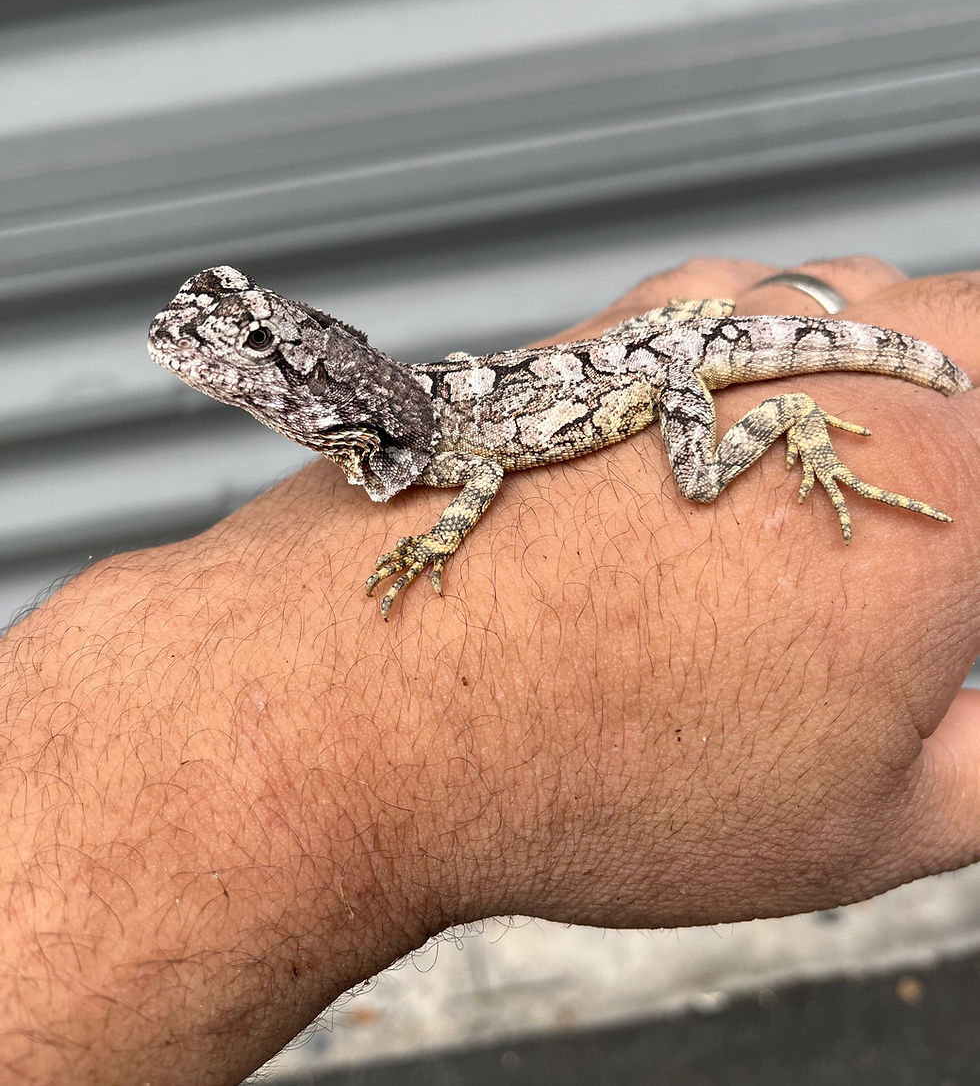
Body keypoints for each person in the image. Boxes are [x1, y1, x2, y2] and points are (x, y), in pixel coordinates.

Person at [2, 256, 976, 1086]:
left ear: (319, 381)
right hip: (648, 347)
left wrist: (435, 545)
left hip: (652, 377)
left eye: (258, 350)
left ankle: (794, 422)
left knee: (696, 480)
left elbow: (479, 473)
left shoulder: (427, 431)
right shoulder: (397, 412)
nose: (224, 360)